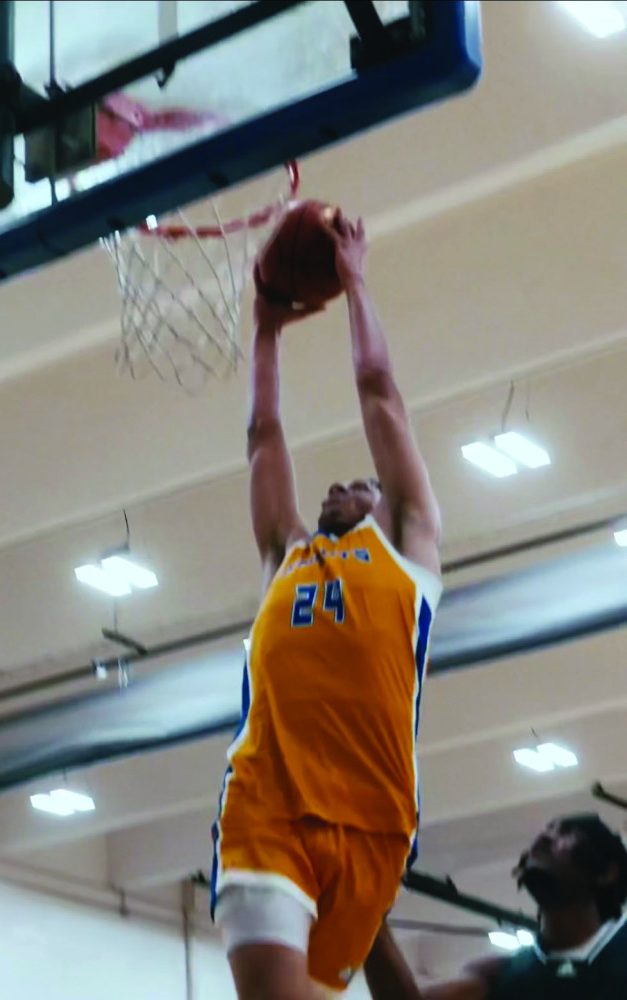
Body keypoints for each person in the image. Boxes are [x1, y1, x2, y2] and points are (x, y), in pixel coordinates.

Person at [209, 209, 443, 1000]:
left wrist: (355, 281)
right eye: (338, 482)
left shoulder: (408, 547)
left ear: (390, 500)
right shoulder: (287, 556)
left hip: (375, 827)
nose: (342, 484)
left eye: (362, 482)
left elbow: (380, 393)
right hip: (267, 806)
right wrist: (266, 330)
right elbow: (263, 436)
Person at [364, 813, 627, 1000]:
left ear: (607, 873)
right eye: (548, 829)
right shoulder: (500, 974)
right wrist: (367, 914)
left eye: (568, 834)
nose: (546, 837)